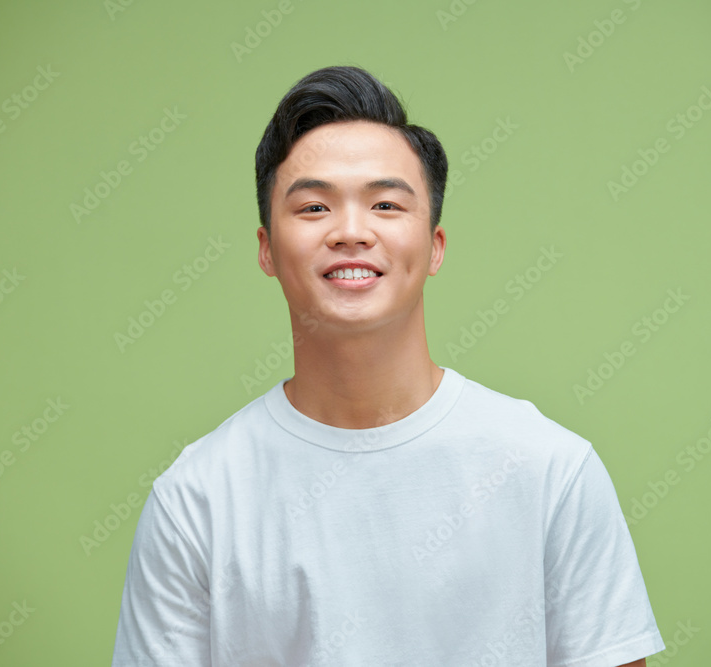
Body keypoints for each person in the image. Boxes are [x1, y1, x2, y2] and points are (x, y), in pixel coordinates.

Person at [111, 64, 665, 666]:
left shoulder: (550, 470)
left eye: (385, 204)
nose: (352, 232)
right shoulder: (196, 501)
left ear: (434, 247)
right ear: (267, 250)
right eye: (315, 207)